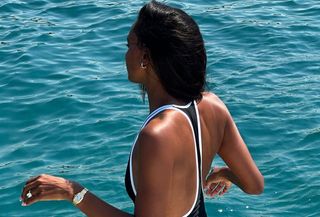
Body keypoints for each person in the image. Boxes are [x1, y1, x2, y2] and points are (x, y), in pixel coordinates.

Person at [20, 1, 264, 216]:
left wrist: (73, 192)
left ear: (145, 57)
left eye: (130, 45)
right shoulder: (213, 105)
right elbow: (254, 185)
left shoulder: (157, 136)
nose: (126, 54)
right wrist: (224, 172)